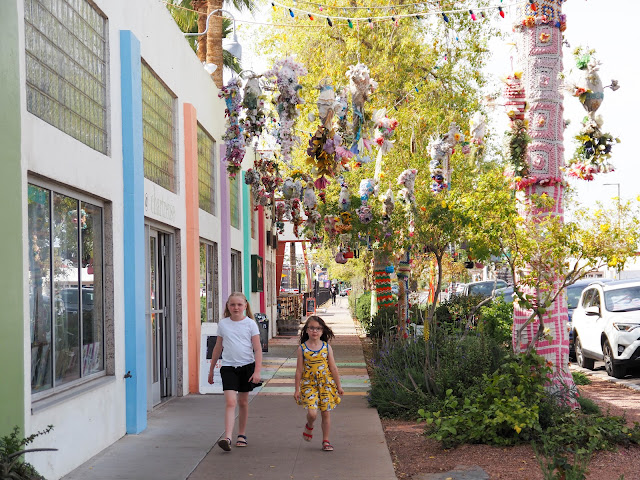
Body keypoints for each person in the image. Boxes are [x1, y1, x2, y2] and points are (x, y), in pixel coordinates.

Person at [208, 292, 262, 452]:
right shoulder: (223, 324)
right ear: (228, 306)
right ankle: (228, 437)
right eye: (232, 305)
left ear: (245, 306)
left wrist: (257, 371)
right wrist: (211, 369)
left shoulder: (250, 324)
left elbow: (257, 349)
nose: (236, 307)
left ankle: (242, 434)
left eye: (239, 305)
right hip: (228, 368)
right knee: (231, 402)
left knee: (243, 402)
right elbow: (218, 347)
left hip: (247, 367)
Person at [294, 315, 344, 451]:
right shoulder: (302, 349)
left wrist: (339, 386)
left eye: (318, 329)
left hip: (326, 384)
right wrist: (296, 389)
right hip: (309, 385)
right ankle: (309, 425)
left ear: (322, 331)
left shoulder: (327, 348)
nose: (314, 331)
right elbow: (299, 370)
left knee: (326, 413)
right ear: (306, 330)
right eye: (311, 328)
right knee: (312, 413)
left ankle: (326, 440)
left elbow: (333, 368)